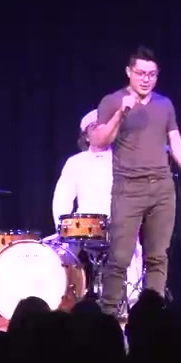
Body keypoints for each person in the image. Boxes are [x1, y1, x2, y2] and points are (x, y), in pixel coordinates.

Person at [88, 46, 181, 316]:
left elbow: (175, 140)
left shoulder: (164, 104)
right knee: (119, 257)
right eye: (140, 73)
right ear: (129, 72)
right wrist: (121, 114)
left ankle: (153, 316)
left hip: (161, 187)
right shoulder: (112, 101)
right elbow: (99, 141)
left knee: (158, 256)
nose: (146, 79)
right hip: (128, 189)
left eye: (152, 74)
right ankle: (107, 317)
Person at [49, 109, 144, 300]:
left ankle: (133, 301)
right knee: (61, 251)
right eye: (94, 127)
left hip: (118, 223)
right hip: (83, 225)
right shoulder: (75, 162)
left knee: (132, 246)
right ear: (86, 135)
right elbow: (62, 197)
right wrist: (62, 226)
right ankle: (64, 298)